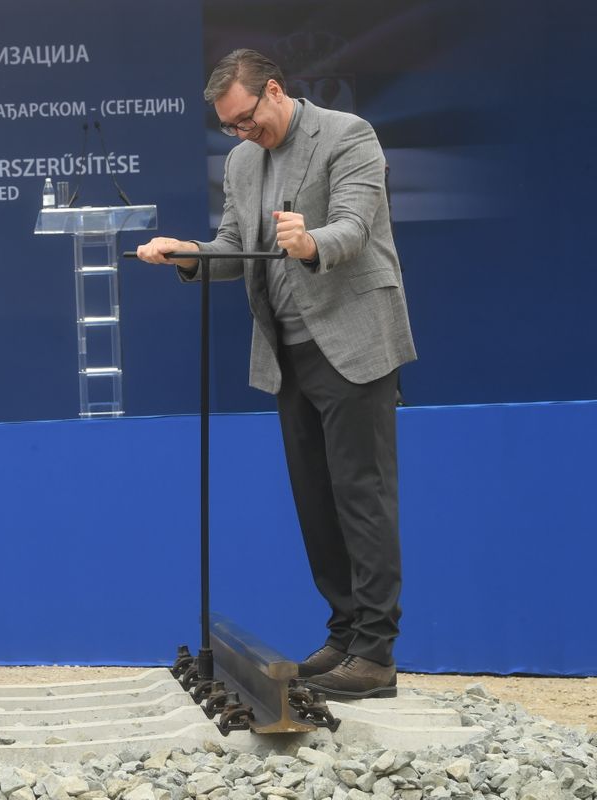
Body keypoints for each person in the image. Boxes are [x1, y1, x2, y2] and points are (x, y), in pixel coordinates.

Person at [137, 49, 416, 699]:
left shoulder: (348, 135)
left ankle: (376, 653)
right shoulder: (241, 163)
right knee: (317, 505)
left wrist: (310, 240)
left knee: (362, 499)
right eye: (229, 127)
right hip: (288, 354)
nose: (241, 133)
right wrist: (189, 256)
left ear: (274, 90)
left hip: (354, 345)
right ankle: (345, 633)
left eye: (246, 119)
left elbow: (353, 227)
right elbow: (237, 250)